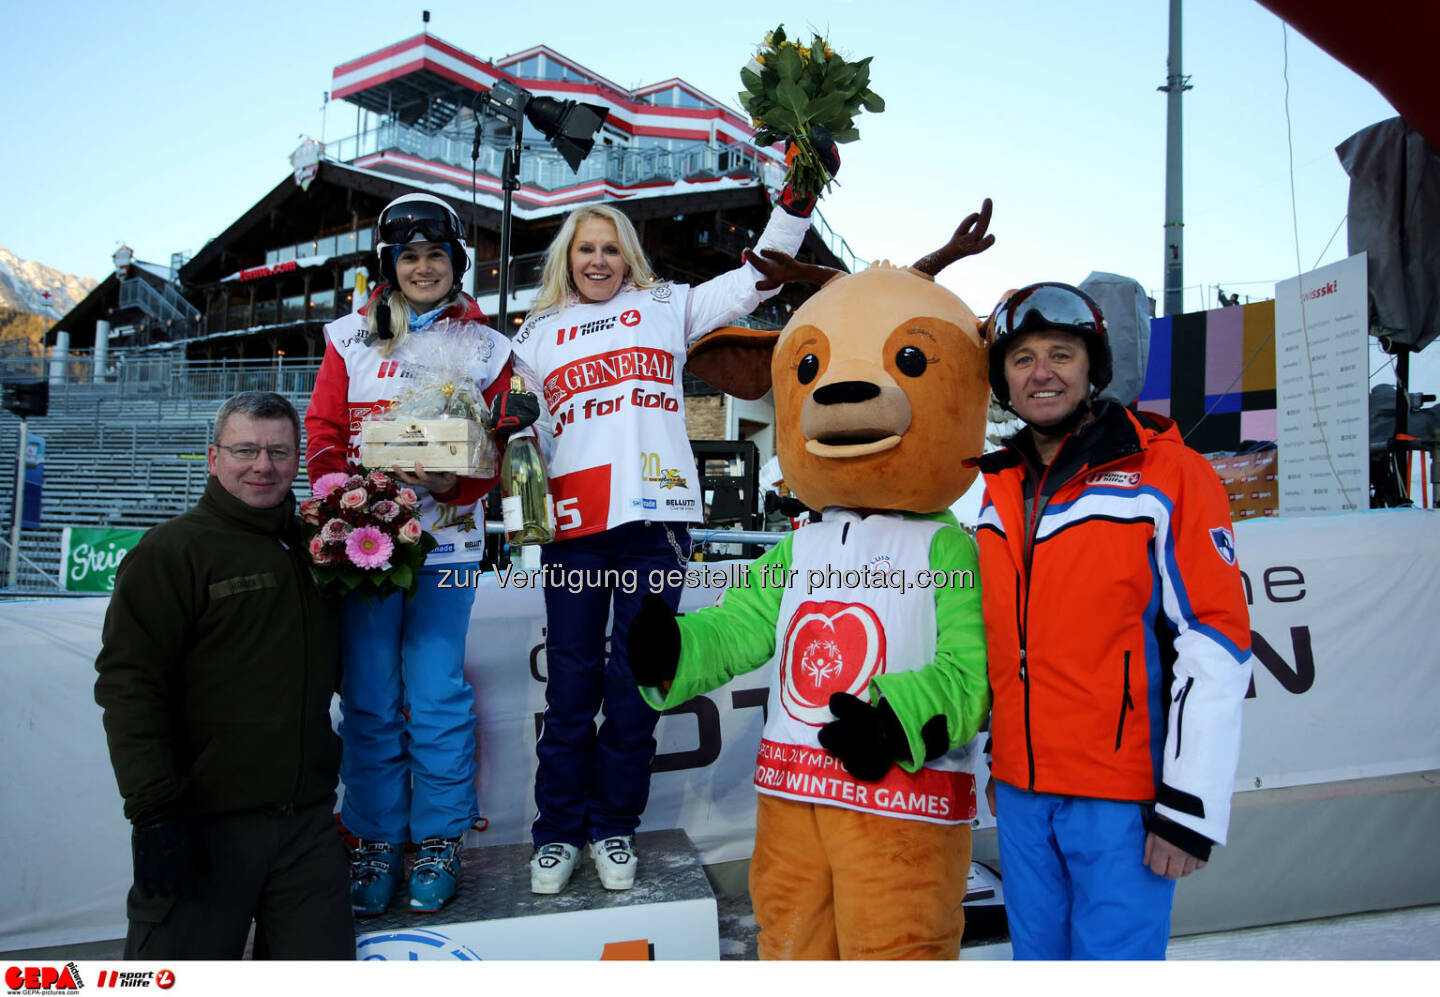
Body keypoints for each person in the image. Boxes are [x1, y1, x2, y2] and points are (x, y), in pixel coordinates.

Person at [510, 145, 837, 895]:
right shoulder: (534, 336)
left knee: (637, 684)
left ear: (628, 257)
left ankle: (612, 827)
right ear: (569, 257)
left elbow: (757, 277)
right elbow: (513, 426)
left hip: (656, 524)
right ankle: (557, 833)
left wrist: (798, 196)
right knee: (569, 693)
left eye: (611, 248)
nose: (598, 260)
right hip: (574, 530)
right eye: (586, 248)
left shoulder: (666, 306)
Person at [972, 282, 1254, 959]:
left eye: (1062, 354)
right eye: (1022, 358)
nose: (1041, 372)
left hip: (1121, 802)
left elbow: (1214, 638)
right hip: (1021, 794)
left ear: (1093, 367)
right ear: (1003, 380)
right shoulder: (995, 491)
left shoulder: (1169, 474)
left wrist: (1189, 805)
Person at [305, 192, 540, 916]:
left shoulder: (490, 347)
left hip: (448, 545)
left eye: (437, 255)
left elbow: (504, 450)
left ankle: (438, 837)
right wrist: (344, 498)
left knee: (435, 692)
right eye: (409, 256)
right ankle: (375, 836)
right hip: (367, 547)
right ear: (389, 265)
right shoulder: (349, 335)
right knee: (371, 694)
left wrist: (457, 479)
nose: (424, 267)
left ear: (456, 262)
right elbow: (320, 427)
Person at [94, 391, 353, 959]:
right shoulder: (171, 552)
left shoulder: (319, 548)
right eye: (245, 450)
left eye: (279, 452)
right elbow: (129, 687)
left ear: (297, 459)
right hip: (203, 827)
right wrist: (154, 813)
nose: (263, 465)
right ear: (213, 458)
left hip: (306, 829)